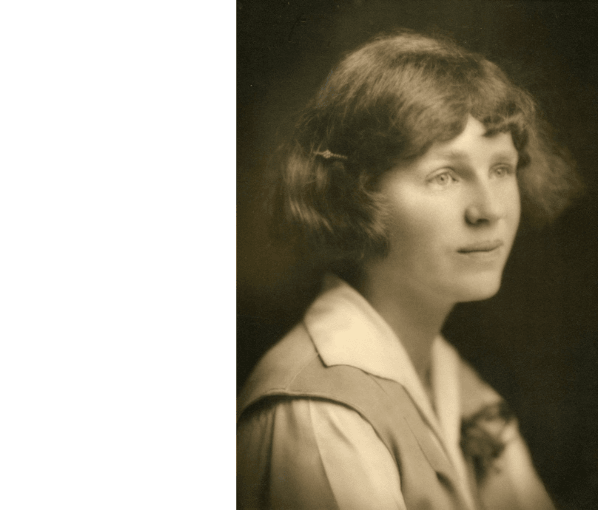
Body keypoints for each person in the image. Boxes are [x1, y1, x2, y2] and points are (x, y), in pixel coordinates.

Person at [237, 30, 578, 510]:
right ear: (357, 197)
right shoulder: (321, 412)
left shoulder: (448, 374)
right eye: (445, 176)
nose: (488, 210)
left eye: (501, 169)